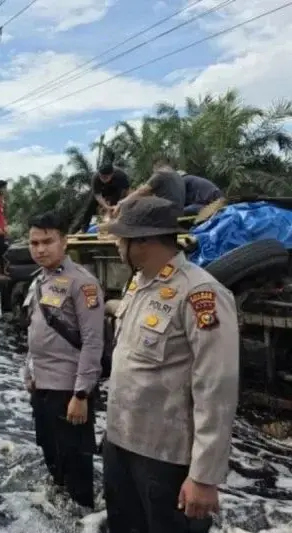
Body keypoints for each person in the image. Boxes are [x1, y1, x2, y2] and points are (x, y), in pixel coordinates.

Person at [103, 196, 239, 533]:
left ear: (144, 240)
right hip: (121, 443)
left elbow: (216, 387)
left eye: (122, 238)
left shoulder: (200, 293)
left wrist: (204, 477)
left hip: (166, 458)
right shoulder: (140, 284)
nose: (118, 245)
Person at [22, 211, 105, 511]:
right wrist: (28, 370)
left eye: (47, 241)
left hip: (68, 389)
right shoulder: (39, 280)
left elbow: (94, 341)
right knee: (49, 449)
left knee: (75, 458)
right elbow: (35, 328)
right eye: (34, 242)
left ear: (64, 241)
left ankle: (84, 515)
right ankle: (60, 509)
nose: (40, 249)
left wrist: (81, 393)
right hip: (41, 384)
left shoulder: (82, 283)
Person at [114, 156, 185, 216]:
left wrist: (121, 202)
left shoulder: (161, 174)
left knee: (135, 208)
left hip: (167, 212)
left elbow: (141, 191)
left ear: (155, 166)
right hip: (179, 212)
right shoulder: (177, 175)